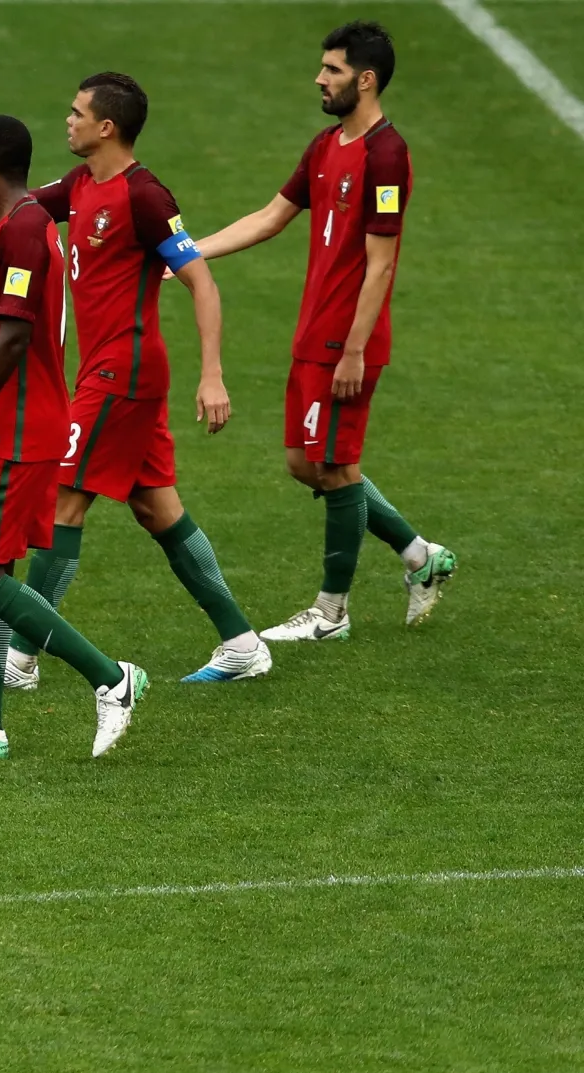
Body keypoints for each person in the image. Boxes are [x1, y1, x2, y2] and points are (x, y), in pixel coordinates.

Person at [0, 73, 270, 689]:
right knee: (157, 507)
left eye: (77, 112)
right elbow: (11, 194)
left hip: (125, 371)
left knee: (65, 496)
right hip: (105, 368)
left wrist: (213, 374)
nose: (68, 121)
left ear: (106, 127)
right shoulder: (80, 185)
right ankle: (242, 642)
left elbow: (201, 280)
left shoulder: (145, 197)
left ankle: (22, 659)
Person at [195, 21, 456, 639]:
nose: (319, 77)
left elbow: (382, 261)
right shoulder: (325, 145)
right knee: (304, 463)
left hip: (347, 343)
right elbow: (268, 218)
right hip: (311, 334)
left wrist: (355, 351)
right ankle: (421, 557)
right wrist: (183, 252)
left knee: (336, 469)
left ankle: (330, 611)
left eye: (332, 69)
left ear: (365, 79)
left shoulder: (386, 155)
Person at [0, 115, 147, 761]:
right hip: (25, 425)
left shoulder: (19, 230)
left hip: (10, 432)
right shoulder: (32, 219)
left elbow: (13, 336)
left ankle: (110, 676)